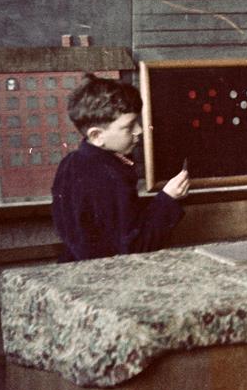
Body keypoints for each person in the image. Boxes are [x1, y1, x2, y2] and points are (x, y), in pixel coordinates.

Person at [51, 74, 189, 262]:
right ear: (97, 135)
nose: (139, 130)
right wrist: (168, 199)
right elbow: (134, 248)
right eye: (129, 126)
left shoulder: (71, 163)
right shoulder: (109, 176)